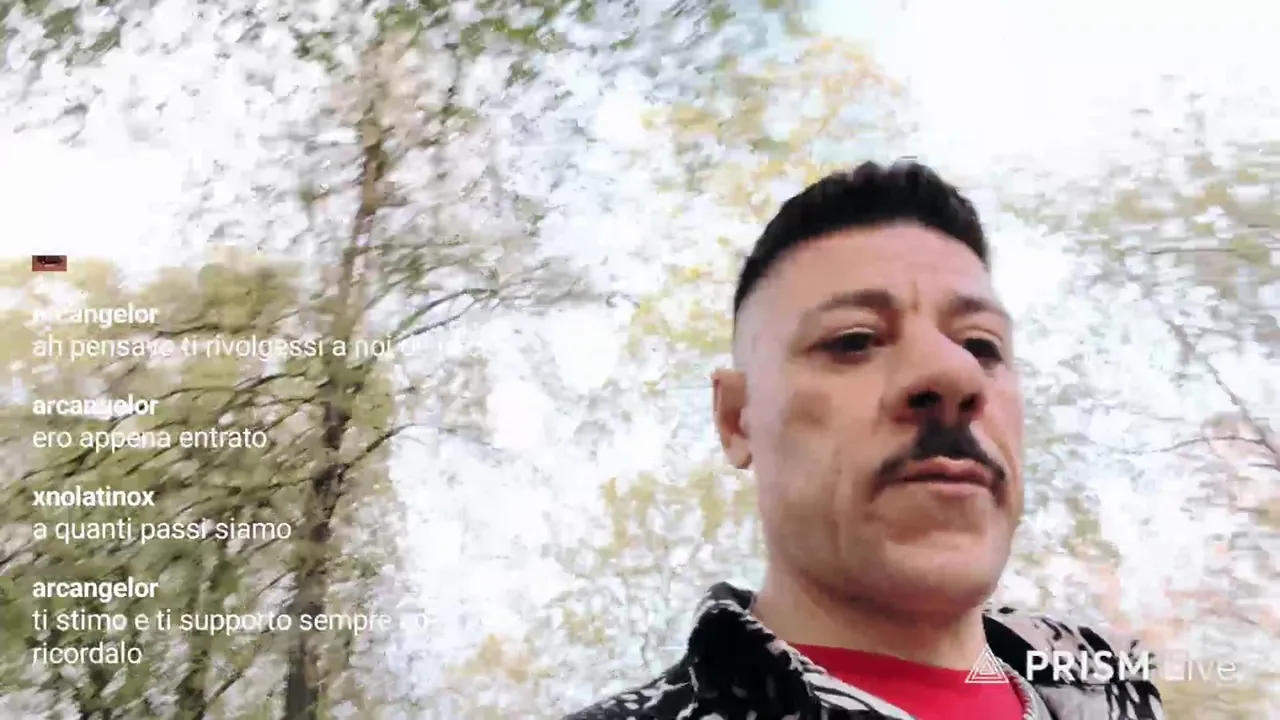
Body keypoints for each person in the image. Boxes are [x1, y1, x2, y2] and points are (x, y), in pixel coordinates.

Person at [565, 161, 1166, 720]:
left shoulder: (1113, 687)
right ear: (737, 419)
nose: (956, 374)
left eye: (982, 346)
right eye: (853, 340)